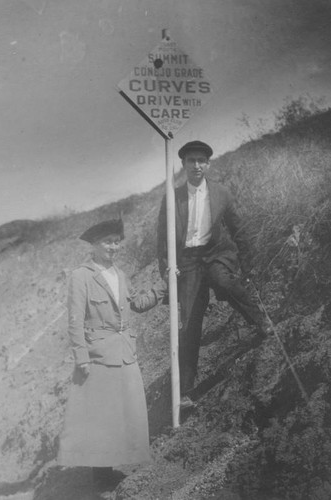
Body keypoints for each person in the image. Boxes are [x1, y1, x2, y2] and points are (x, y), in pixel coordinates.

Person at [157, 140, 272, 408]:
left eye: (201, 161)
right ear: (183, 165)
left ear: (208, 164)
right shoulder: (172, 198)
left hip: (217, 253)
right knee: (190, 323)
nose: (196, 165)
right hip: (187, 262)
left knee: (223, 280)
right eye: (191, 161)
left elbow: (239, 228)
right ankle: (185, 390)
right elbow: (162, 239)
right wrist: (166, 268)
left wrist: (249, 262)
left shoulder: (222, 193)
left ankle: (261, 322)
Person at [58, 218, 165, 488]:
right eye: (108, 241)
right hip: (97, 356)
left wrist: (163, 286)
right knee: (101, 416)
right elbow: (75, 321)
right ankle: (101, 477)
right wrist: (82, 357)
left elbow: (137, 305)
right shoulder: (80, 276)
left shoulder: (120, 275)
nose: (114, 246)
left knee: (126, 412)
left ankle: (116, 468)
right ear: (94, 245)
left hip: (125, 352)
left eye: (117, 241)